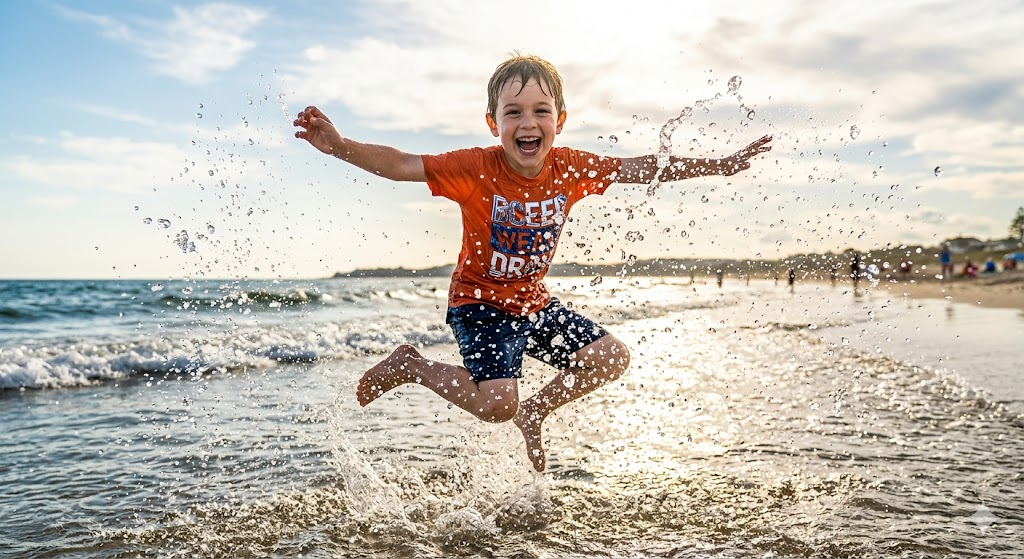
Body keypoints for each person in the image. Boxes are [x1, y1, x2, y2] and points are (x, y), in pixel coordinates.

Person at [293, 54, 772, 471]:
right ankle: (413, 366)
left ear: (559, 120)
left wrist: (718, 165)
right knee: (497, 405)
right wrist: (340, 146)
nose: (528, 123)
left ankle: (535, 411)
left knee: (610, 358)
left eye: (541, 111)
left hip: (532, 303)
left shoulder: (570, 167)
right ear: (493, 123)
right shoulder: (475, 167)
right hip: (479, 305)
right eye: (513, 112)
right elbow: (402, 164)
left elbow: (640, 167)